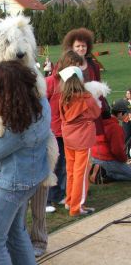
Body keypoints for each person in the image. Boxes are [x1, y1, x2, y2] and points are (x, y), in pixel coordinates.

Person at [0, 61, 51, 265]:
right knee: (16, 234)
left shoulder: (17, 122)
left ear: (8, 91)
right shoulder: (41, 104)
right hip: (30, 179)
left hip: (11, 186)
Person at [59, 66, 101, 216]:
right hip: (83, 138)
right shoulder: (87, 98)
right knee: (81, 173)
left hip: (69, 138)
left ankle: (70, 200)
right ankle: (77, 207)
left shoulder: (63, 97)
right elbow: (96, 112)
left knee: (71, 170)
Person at [45, 51, 83, 213]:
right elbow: (41, 104)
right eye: (74, 66)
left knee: (62, 165)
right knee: (49, 165)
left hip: (66, 130)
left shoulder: (72, 84)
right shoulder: (51, 82)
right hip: (51, 130)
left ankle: (58, 194)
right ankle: (45, 200)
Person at [91, 99, 131, 181]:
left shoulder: (100, 122)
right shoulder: (115, 127)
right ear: (120, 113)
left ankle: (100, 170)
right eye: (127, 113)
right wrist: (124, 160)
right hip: (108, 160)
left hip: (95, 158)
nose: (128, 115)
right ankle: (105, 175)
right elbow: (117, 150)